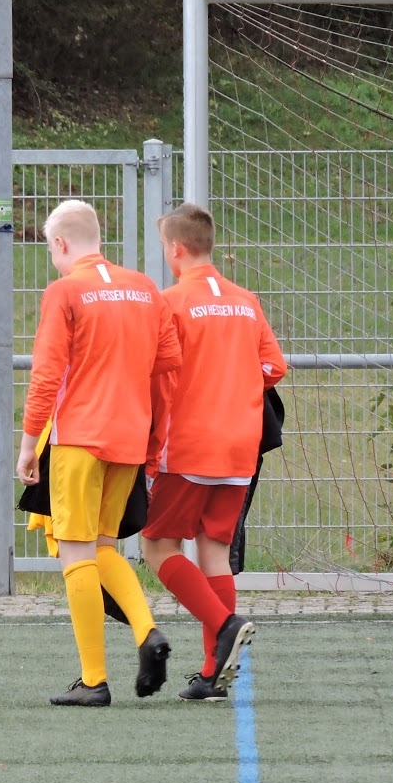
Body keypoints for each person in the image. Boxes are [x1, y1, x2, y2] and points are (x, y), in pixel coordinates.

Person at [17, 199, 182, 707]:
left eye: (51, 250)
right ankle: (147, 631)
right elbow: (168, 370)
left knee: (76, 552)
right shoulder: (145, 289)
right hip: (128, 438)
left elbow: (46, 375)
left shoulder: (64, 290)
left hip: (78, 439)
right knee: (104, 549)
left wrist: (28, 444)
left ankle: (94, 680)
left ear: (61, 243)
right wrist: (153, 442)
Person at [140, 202, 287, 701]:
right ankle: (212, 673)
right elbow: (274, 367)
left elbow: (156, 370)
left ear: (176, 248)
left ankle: (226, 624)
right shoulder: (246, 300)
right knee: (214, 550)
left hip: (189, 445)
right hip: (240, 446)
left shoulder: (171, 301)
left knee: (158, 546)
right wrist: (235, 383)